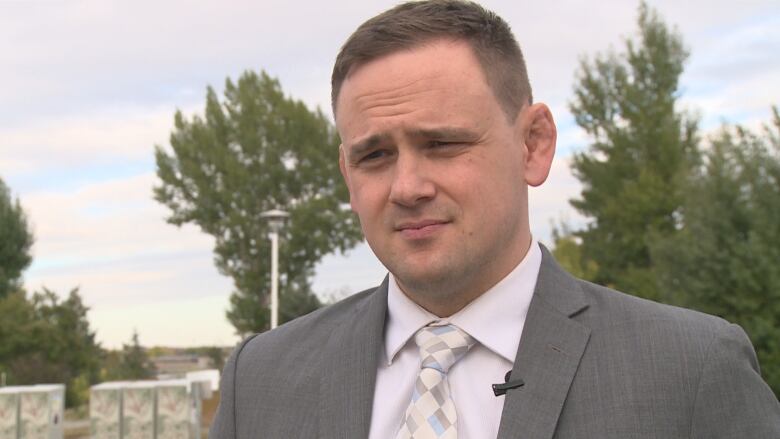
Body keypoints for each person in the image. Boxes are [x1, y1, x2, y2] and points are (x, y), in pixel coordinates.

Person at [209, 1, 780, 438]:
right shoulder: (260, 382)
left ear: (533, 145)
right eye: (375, 155)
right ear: (346, 174)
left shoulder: (689, 371)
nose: (408, 187)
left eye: (444, 143)